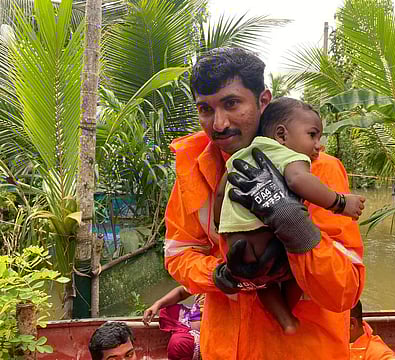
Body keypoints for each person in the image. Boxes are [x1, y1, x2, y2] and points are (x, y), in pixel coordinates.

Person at [164, 47, 365, 359]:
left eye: (232, 104)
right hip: (224, 350)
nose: (218, 124)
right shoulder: (194, 169)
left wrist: (296, 227)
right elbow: (178, 254)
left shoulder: (316, 169)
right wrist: (221, 275)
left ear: (263, 100)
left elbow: (345, 290)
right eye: (205, 109)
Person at [214, 97, 366, 334]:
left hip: (237, 247)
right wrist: (340, 202)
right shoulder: (294, 158)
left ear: (260, 100)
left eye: (232, 104)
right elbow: (297, 180)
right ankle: (287, 319)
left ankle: (285, 319)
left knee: (265, 285)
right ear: (282, 135)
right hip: (265, 252)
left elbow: (221, 193)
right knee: (287, 274)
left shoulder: (240, 157)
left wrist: (222, 240)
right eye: (312, 135)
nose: (319, 145)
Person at [142, 285, 203, 360]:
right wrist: (157, 304)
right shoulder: (202, 277)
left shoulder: (219, 280)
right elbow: (181, 292)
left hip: (209, 334)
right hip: (188, 321)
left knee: (178, 344)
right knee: (167, 311)